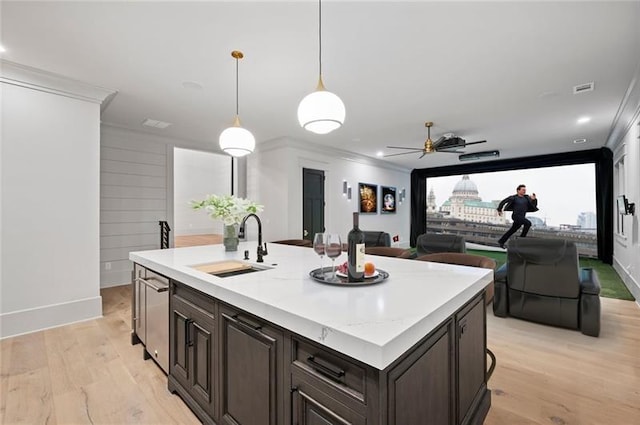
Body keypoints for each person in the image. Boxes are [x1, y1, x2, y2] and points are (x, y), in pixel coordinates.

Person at [496, 184, 538, 249]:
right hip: (515, 216)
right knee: (528, 223)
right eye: (523, 190)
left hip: (522, 217)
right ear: (518, 190)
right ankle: (521, 240)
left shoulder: (527, 198)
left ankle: (501, 241)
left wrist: (534, 199)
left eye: (525, 190)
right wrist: (499, 209)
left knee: (512, 230)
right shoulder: (513, 198)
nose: (524, 191)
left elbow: (534, 206)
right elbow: (503, 202)